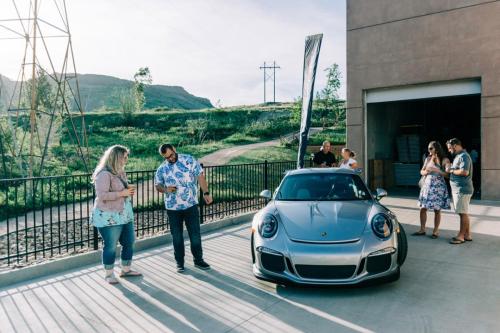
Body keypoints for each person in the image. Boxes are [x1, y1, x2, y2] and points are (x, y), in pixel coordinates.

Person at [155, 143, 213, 273]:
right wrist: (165, 189)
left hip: (190, 205)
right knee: (177, 237)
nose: (170, 158)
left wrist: (206, 192)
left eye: (171, 155)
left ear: (174, 149)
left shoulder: (189, 160)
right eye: (166, 157)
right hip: (172, 208)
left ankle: (198, 260)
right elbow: (157, 185)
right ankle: (179, 263)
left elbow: (200, 176)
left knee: (195, 235)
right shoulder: (162, 169)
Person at [90, 145, 141, 284]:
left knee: (129, 242)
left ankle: (126, 269)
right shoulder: (104, 174)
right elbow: (102, 195)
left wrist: (126, 190)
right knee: (111, 245)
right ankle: (109, 274)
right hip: (108, 216)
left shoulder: (120, 172)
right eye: (124, 157)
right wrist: (122, 193)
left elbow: (121, 191)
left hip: (124, 214)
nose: (126, 160)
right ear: (116, 157)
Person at [413, 141, 451, 239]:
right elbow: (421, 171)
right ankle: (422, 229)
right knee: (423, 208)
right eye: (428, 148)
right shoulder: (428, 158)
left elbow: (447, 175)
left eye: (430, 148)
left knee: (437, 210)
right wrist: (425, 171)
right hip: (427, 186)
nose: (428, 150)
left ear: (436, 149)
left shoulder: (444, 159)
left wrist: (436, 169)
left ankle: (435, 231)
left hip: (438, 187)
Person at [446, 138, 474, 244]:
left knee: (462, 213)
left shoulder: (463, 156)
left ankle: (461, 236)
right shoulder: (460, 156)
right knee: (464, 212)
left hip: (462, 189)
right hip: (460, 189)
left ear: (455, 145)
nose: (449, 150)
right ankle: (467, 235)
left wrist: (451, 170)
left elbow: (464, 172)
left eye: (449, 148)